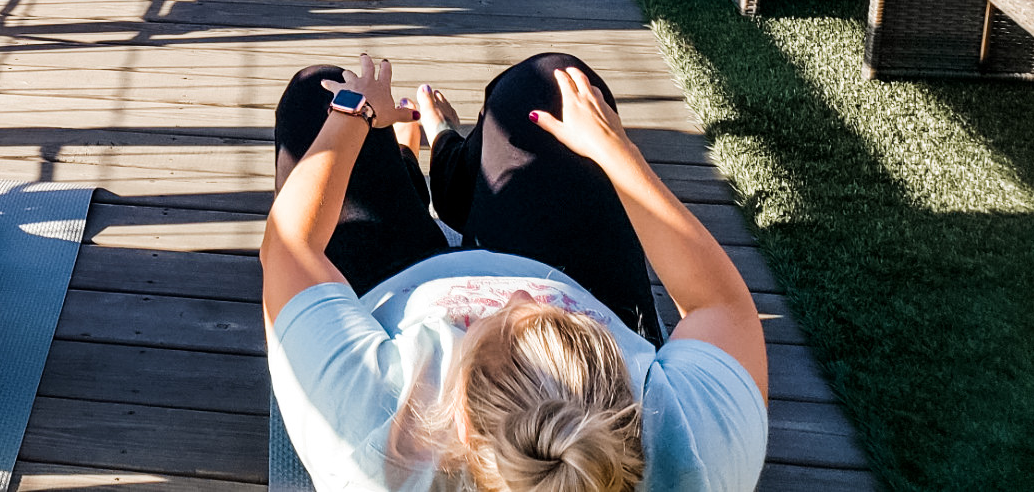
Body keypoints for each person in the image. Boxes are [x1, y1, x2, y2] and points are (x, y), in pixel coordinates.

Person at [263, 54, 768, 492]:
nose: (524, 295)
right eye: (569, 323)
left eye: (498, 322)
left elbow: (288, 248)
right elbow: (720, 305)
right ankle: (448, 166)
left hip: (389, 295)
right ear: (629, 406)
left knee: (317, 93)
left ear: (458, 423)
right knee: (551, 86)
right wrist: (612, 150)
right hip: (557, 261)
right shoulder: (693, 451)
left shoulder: (370, 438)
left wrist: (356, 111)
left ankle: (406, 158)